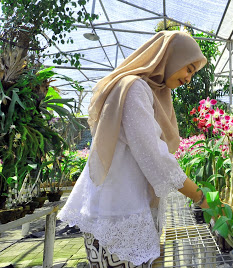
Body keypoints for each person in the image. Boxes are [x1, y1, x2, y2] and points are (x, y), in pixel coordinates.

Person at [58, 30, 210, 268]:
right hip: (117, 216)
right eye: (188, 69)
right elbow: (155, 157)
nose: (189, 78)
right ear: (171, 57)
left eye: (193, 73)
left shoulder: (149, 91)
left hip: (122, 212)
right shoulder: (135, 88)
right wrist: (201, 198)